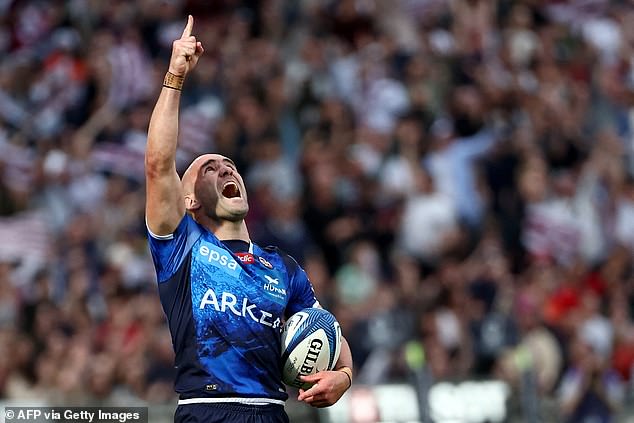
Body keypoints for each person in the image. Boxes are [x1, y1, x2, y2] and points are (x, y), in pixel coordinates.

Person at [144, 16, 354, 423]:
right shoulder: (182, 247)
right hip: (205, 410)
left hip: (272, 412)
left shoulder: (284, 268)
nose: (226, 170)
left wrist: (344, 376)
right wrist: (175, 77)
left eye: (230, 166)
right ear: (187, 200)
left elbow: (328, 329)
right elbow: (157, 163)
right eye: (209, 168)